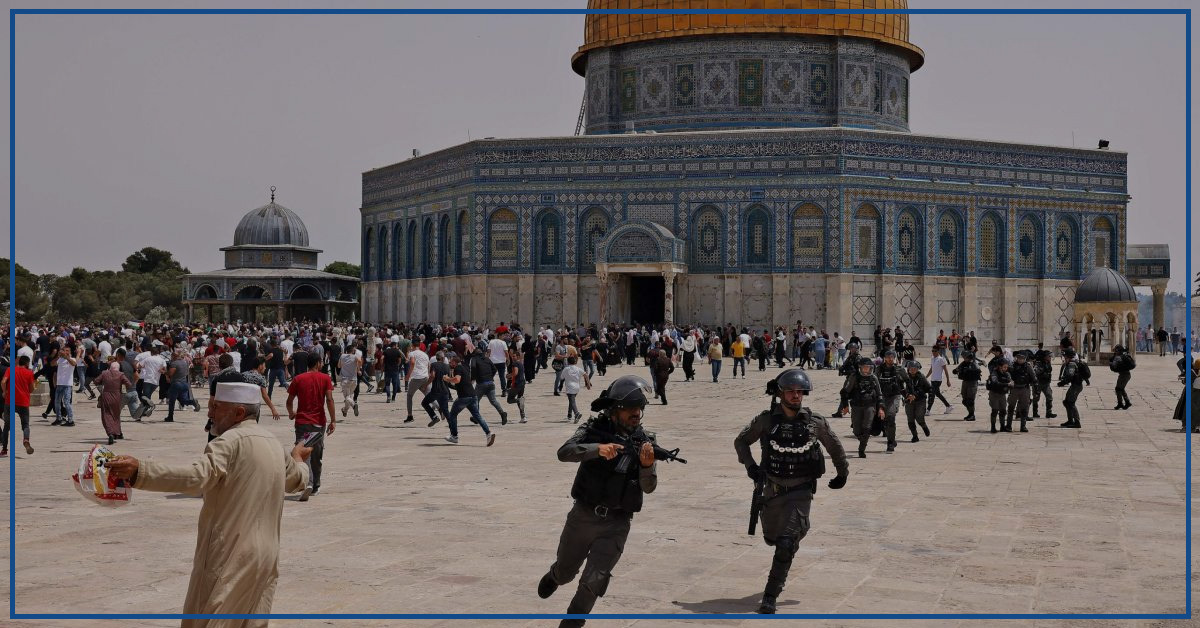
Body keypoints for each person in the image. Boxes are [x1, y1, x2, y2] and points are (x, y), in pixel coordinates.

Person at [106, 382, 313, 627]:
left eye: (216, 407)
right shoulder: (273, 443)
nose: (210, 413)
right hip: (266, 558)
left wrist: (140, 471)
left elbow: (197, 476)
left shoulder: (229, 442)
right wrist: (298, 458)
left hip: (231, 556)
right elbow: (298, 480)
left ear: (238, 413)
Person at [537, 376, 659, 627]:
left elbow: (649, 487)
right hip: (583, 516)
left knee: (595, 579)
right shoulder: (592, 429)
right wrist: (597, 449)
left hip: (617, 523)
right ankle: (555, 576)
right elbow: (564, 452)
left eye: (639, 408)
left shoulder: (645, 441)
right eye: (630, 409)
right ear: (614, 411)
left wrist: (647, 466)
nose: (636, 414)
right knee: (567, 571)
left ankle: (572, 621)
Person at [734, 369, 849, 614]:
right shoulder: (766, 421)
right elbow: (741, 441)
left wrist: (842, 473)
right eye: (791, 392)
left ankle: (770, 595)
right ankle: (794, 534)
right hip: (772, 491)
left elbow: (835, 445)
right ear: (780, 394)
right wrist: (751, 467)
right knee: (773, 538)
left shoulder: (814, 423)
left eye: (800, 392)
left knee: (785, 543)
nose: (796, 396)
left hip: (801, 490)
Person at [286, 355, 336, 500]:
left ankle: (307, 482)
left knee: (301, 452)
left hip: (302, 423)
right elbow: (329, 399)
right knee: (316, 454)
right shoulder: (325, 378)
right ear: (318, 363)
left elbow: (289, 401)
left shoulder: (298, 379)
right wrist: (333, 420)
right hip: (318, 423)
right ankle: (315, 486)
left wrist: (291, 413)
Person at [444, 352, 497, 446]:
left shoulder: (458, 368)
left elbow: (457, 380)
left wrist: (447, 379)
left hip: (464, 397)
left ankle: (454, 436)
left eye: (451, 362)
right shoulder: (464, 367)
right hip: (473, 396)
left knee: (452, 415)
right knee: (477, 416)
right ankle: (489, 433)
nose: (450, 363)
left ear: (455, 363)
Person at [846, 357, 883, 458]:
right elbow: (846, 391)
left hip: (870, 406)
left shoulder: (874, 378)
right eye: (864, 367)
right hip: (856, 406)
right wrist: (845, 405)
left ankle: (861, 449)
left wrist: (880, 408)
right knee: (857, 431)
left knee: (867, 428)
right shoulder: (854, 377)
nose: (866, 369)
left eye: (868, 367)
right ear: (860, 368)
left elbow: (879, 394)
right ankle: (862, 440)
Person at [874, 350, 909, 453]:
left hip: (895, 395)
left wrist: (910, 393)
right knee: (884, 420)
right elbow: (874, 381)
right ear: (884, 358)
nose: (890, 359)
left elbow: (907, 380)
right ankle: (892, 439)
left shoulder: (899, 369)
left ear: (894, 358)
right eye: (888, 356)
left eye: (891, 357)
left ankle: (890, 443)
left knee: (891, 416)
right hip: (882, 396)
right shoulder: (879, 369)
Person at [2, 354, 36, 457]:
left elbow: (3, 381)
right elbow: (31, 389)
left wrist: (5, 392)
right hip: (23, 402)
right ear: (27, 363)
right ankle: (26, 439)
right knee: (25, 425)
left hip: (10, 401)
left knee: (6, 426)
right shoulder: (29, 373)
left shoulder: (10, 370)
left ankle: (4, 449)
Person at [96, 358, 133, 445]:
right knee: (115, 415)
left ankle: (110, 433)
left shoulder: (104, 373)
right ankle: (117, 433)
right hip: (117, 396)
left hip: (106, 396)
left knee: (106, 415)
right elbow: (129, 384)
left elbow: (96, 381)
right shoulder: (121, 374)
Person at [472, 348, 509, 425]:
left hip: (481, 383)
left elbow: (473, 367)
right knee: (493, 401)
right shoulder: (487, 359)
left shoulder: (474, 359)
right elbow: (495, 369)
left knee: (475, 400)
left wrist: (473, 378)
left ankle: (476, 417)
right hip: (490, 383)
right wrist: (490, 377)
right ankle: (502, 413)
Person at [1057, 347, 1089, 429]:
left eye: (1065, 356)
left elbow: (1070, 375)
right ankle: (1070, 420)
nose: (1064, 358)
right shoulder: (1074, 362)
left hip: (1076, 386)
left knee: (1071, 403)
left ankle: (1077, 422)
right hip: (1075, 385)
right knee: (1066, 402)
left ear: (1068, 356)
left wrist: (1062, 383)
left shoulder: (1071, 364)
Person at [1006, 351, 1037, 432]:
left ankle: (1023, 426)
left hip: (1024, 389)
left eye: (1022, 359)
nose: (1020, 360)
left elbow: (1033, 377)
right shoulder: (1012, 366)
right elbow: (1007, 375)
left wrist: (1036, 389)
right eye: (1019, 358)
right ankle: (1008, 426)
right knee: (1011, 407)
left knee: (1024, 408)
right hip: (1014, 389)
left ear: (1025, 359)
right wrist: (1009, 381)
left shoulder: (1028, 366)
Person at [903, 360, 931, 442]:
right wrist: (908, 395)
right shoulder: (905, 377)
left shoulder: (921, 377)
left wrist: (916, 394)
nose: (912, 370)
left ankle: (924, 426)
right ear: (908, 369)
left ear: (918, 369)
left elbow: (928, 388)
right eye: (911, 368)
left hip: (920, 400)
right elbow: (901, 388)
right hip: (909, 401)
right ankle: (915, 436)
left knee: (919, 418)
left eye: (915, 368)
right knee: (910, 419)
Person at [952, 349, 982, 422]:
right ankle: (970, 413)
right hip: (965, 382)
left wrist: (968, 370)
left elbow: (978, 371)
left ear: (968, 357)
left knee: (970, 400)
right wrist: (956, 371)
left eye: (964, 357)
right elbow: (956, 370)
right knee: (964, 400)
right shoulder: (963, 363)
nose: (964, 358)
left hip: (972, 383)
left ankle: (972, 415)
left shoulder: (974, 363)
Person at [405, 343, 431, 424]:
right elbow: (428, 365)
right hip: (425, 376)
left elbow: (412, 363)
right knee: (428, 394)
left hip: (416, 378)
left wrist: (408, 375)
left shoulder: (412, 353)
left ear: (412, 346)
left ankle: (410, 416)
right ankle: (440, 409)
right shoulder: (425, 354)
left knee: (409, 395)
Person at [985, 359, 1013, 434]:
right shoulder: (994, 373)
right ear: (999, 367)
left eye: (1006, 367)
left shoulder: (1007, 374)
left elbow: (1010, 382)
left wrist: (1010, 384)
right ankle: (993, 427)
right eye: (1004, 367)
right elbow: (995, 382)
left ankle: (1002, 426)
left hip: (1002, 394)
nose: (1006, 368)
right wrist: (1006, 384)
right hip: (994, 394)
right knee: (995, 410)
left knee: (1003, 411)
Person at [561, 355, 591, 423]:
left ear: (568, 362)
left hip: (569, 387)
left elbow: (561, 378)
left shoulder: (566, 369)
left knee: (572, 401)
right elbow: (586, 375)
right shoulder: (578, 369)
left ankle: (576, 413)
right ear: (575, 362)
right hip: (577, 387)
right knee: (571, 400)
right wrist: (588, 384)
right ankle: (569, 414)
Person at [925, 347, 953, 414]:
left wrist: (948, 380)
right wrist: (925, 377)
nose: (933, 352)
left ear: (938, 351)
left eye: (935, 351)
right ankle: (948, 406)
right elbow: (931, 369)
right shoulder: (932, 358)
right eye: (932, 351)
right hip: (933, 379)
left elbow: (945, 370)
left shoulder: (941, 359)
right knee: (938, 394)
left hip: (938, 380)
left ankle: (928, 410)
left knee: (931, 394)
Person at [1031, 350, 1057, 419]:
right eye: (1049, 356)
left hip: (1046, 383)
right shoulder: (1038, 363)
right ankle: (1035, 413)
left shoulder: (1048, 363)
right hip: (1038, 383)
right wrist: (1042, 372)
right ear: (1045, 357)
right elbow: (1035, 371)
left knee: (1049, 397)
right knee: (1036, 398)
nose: (1050, 357)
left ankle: (1049, 413)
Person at [1109, 344, 1135, 410]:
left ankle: (1121, 403)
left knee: (1118, 389)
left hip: (1123, 375)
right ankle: (1126, 402)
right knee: (1121, 388)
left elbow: (1114, 365)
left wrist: (1111, 363)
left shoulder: (1118, 357)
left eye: (1116, 350)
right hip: (1127, 374)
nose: (1115, 351)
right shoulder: (1124, 356)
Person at [507, 346, 528, 423]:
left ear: (518, 356)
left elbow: (515, 373)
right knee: (520, 400)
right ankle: (523, 417)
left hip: (516, 384)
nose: (513, 357)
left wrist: (509, 375)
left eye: (514, 356)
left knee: (509, 400)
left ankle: (518, 400)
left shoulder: (515, 363)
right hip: (522, 383)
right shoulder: (521, 363)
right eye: (512, 356)